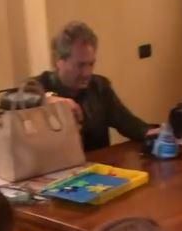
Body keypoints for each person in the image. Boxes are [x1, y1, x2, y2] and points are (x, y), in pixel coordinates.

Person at [33, 21, 160, 150]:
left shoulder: (100, 86)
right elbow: (20, 98)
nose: (87, 73)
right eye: (80, 65)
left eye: (91, 64)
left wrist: (153, 132)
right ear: (59, 61)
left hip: (97, 162)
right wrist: (45, 100)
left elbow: (127, 122)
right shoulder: (39, 85)